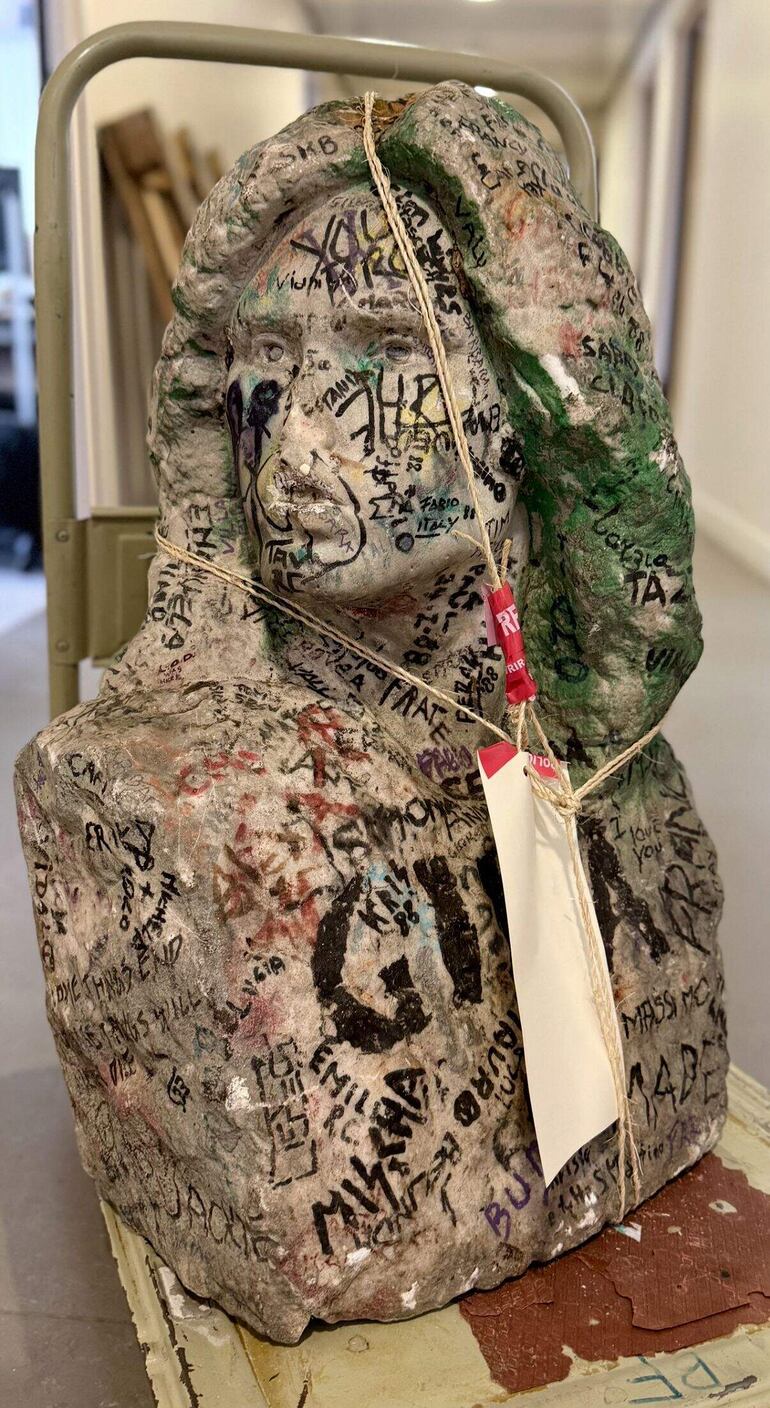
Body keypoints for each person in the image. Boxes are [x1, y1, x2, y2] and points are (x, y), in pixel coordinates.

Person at [15, 83, 726, 1344]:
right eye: (263, 360)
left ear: (541, 399)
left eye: (387, 348)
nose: (296, 433)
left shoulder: (609, 767)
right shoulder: (172, 806)